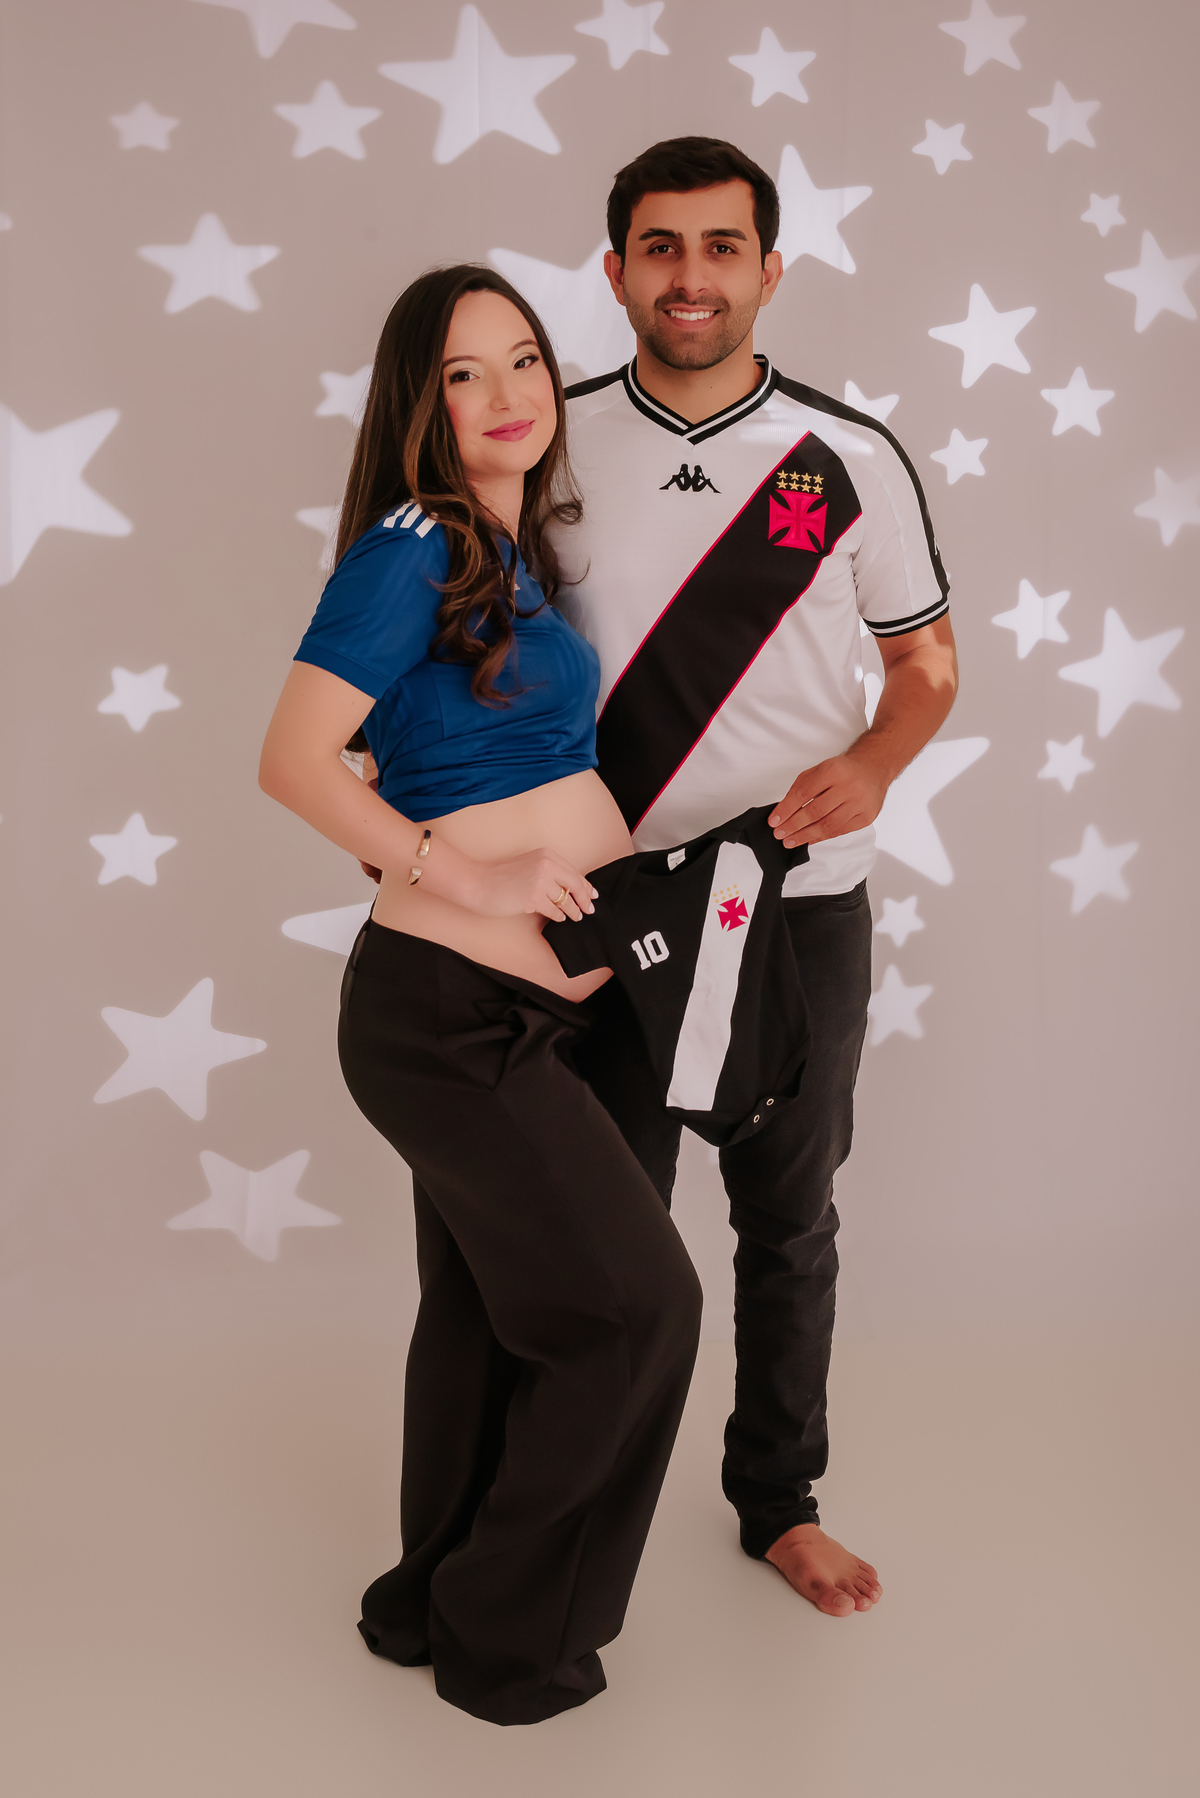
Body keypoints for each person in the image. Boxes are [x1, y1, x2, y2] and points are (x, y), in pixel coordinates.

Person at [258, 264, 702, 1727]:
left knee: (491, 1314)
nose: (508, 394)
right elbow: (292, 759)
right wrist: (465, 872)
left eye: (524, 360)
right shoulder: (417, 544)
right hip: (452, 1014)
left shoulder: (502, 557)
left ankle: (425, 1597)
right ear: (418, 401)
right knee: (636, 1311)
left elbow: (424, 744)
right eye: (464, 372)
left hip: (536, 1010)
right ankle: (509, 1640)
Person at [557, 137, 960, 1618]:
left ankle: (778, 1501)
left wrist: (878, 762)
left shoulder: (848, 456)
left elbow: (926, 665)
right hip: (607, 905)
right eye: (661, 248)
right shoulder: (549, 439)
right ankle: (578, 1503)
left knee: (788, 1221)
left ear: (770, 270)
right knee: (608, 1232)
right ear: (616, 272)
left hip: (800, 902)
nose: (692, 277)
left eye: (723, 247)